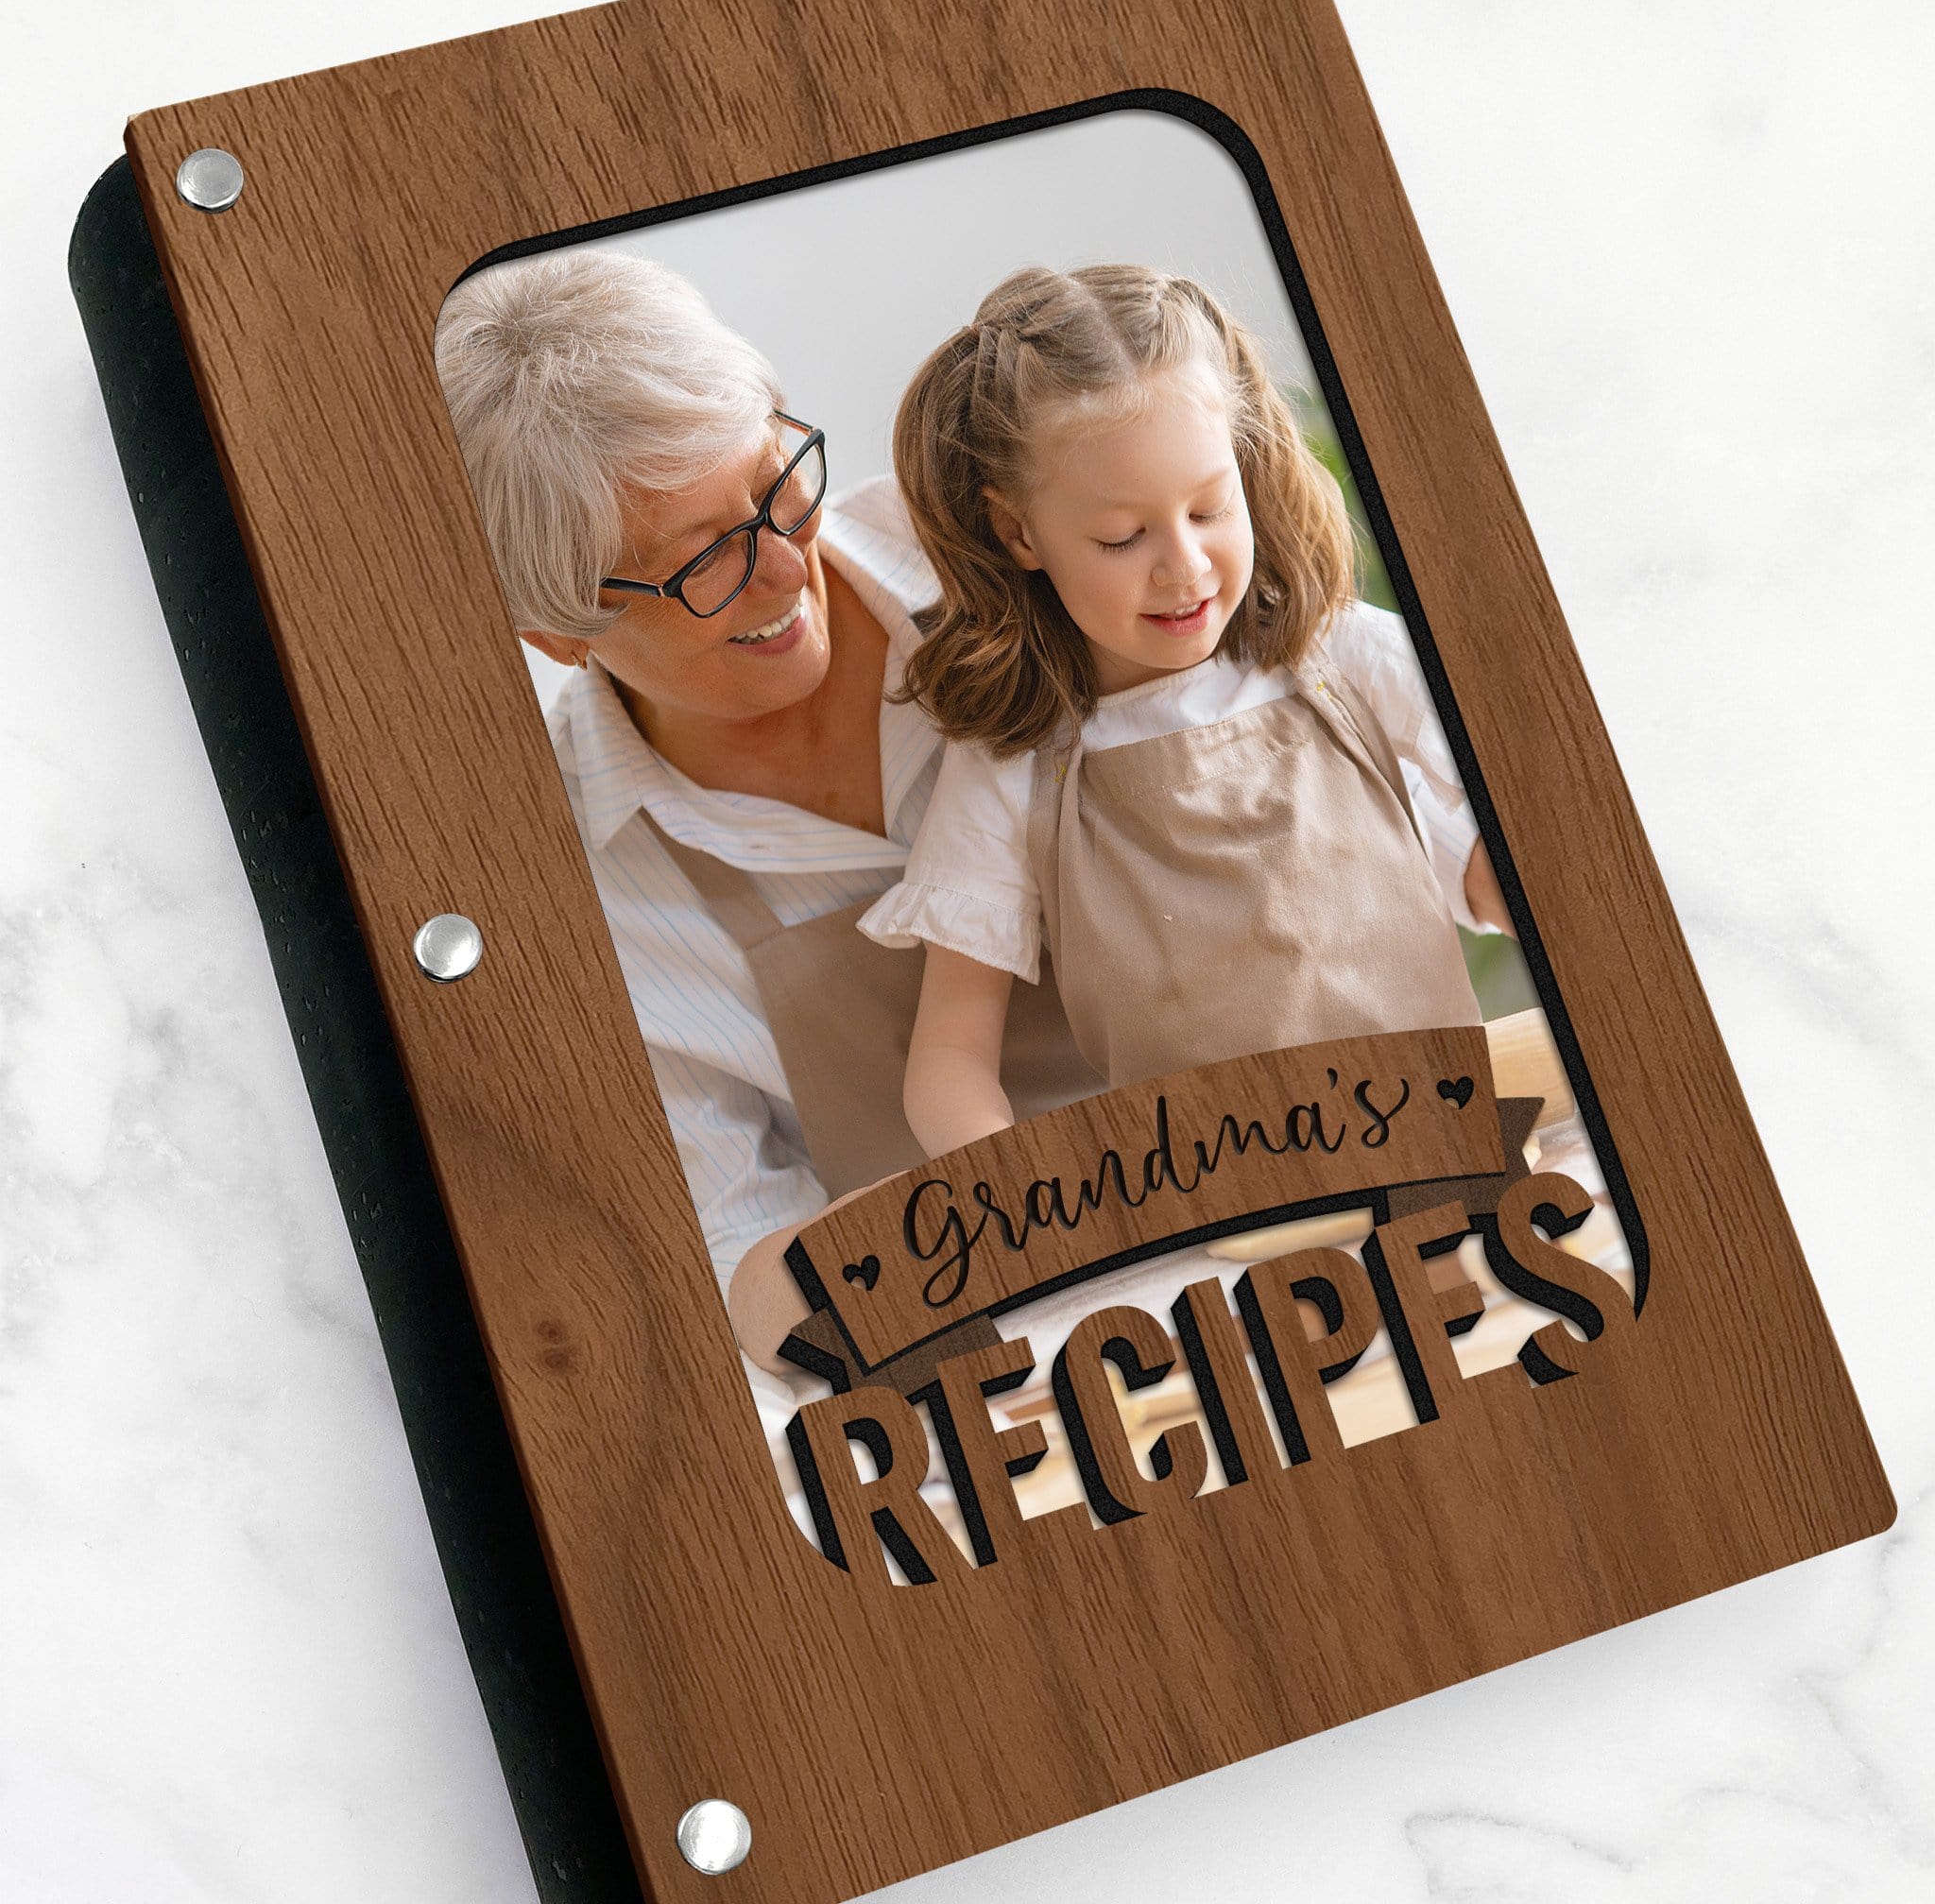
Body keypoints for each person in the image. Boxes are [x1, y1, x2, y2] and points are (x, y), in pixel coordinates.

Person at [433, 251, 1100, 1382]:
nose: (788, 567)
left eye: (777, 482)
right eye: (702, 563)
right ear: (556, 629)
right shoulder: (570, 891)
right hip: (996, 1365)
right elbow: (730, 1240)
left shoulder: (1027, 557)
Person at [860, 264, 1510, 1156]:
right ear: (1017, 533)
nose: (1185, 568)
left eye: (1210, 508)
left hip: (1456, 1147)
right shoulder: (1018, 767)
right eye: (1123, 537)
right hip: (1223, 1230)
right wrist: (1013, 1191)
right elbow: (950, 1061)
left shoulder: (1346, 657)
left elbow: (1495, 868)